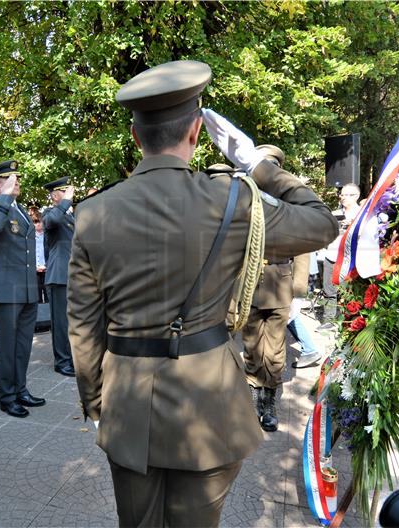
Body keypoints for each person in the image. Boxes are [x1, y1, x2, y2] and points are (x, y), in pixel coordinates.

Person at [68, 60, 337, 527]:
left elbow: (84, 327)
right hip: (208, 400)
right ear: (197, 132)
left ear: (136, 137)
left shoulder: (93, 212)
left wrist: (96, 403)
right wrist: (258, 164)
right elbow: (321, 223)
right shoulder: (233, 201)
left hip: (128, 402)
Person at [241, 147, 319, 432]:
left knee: (274, 349)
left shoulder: (290, 204)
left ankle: (268, 402)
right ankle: (254, 397)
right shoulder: (244, 199)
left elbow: (303, 247)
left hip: (279, 283)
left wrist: (297, 287)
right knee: (251, 345)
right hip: (249, 284)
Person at [0, 160, 46, 418]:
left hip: (26, 290)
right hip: (5, 291)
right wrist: (4, 196)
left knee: (23, 345)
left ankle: (21, 389)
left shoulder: (21, 211)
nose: (17, 183)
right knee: (7, 347)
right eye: (11, 179)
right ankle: (7, 397)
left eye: (17, 179)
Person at [42, 177, 76, 377]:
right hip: (59, 274)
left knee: (72, 321)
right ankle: (62, 361)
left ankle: (72, 357)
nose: (70, 194)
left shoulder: (70, 216)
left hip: (73, 275)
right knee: (61, 322)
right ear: (55, 196)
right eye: (65, 191)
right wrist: (65, 203)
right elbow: (51, 221)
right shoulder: (50, 213)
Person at [320, 183, 361, 325]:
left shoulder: (361, 214)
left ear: (356, 196)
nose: (342, 197)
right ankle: (328, 320)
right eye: (341, 194)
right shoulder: (334, 214)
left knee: (348, 293)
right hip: (331, 256)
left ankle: (349, 322)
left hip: (350, 260)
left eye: (346, 195)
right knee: (328, 290)